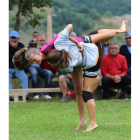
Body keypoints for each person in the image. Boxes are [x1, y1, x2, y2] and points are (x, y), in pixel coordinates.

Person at [12, 20, 127, 132]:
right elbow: (62, 66)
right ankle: (82, 120)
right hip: (76, 61)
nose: (35, 63)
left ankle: (119, 30)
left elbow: (61, 33)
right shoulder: (43, 63)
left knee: (103, 36)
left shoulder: (47, 48)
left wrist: (76, 42)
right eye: (32, 63)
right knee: (78, 90)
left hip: (81, 44)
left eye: (34, 60)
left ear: (37, 53)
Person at [28, 34, 54, 99]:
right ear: (36, 41)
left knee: (49, 73)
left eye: (43, 40)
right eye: (40, 40)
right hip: (33, 66)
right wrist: (26, 71)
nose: (42, 42)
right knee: (34, 73)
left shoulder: (48, 48)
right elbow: (27, 59)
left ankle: (46, 93)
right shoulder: (31, 47)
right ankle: (36, 94)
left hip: (43, 67)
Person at [9, 30, 29, 100]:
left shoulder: (21, 45)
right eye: (12, 38)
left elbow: (22, 58)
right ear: (9, 38)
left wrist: (16, 48)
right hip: (8, 68)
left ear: (18, 38)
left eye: (15, 38)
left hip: (18, 69)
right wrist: (13, 48)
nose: (13, 40)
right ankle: (11, 95)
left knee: (25, 77)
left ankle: (25, 94)